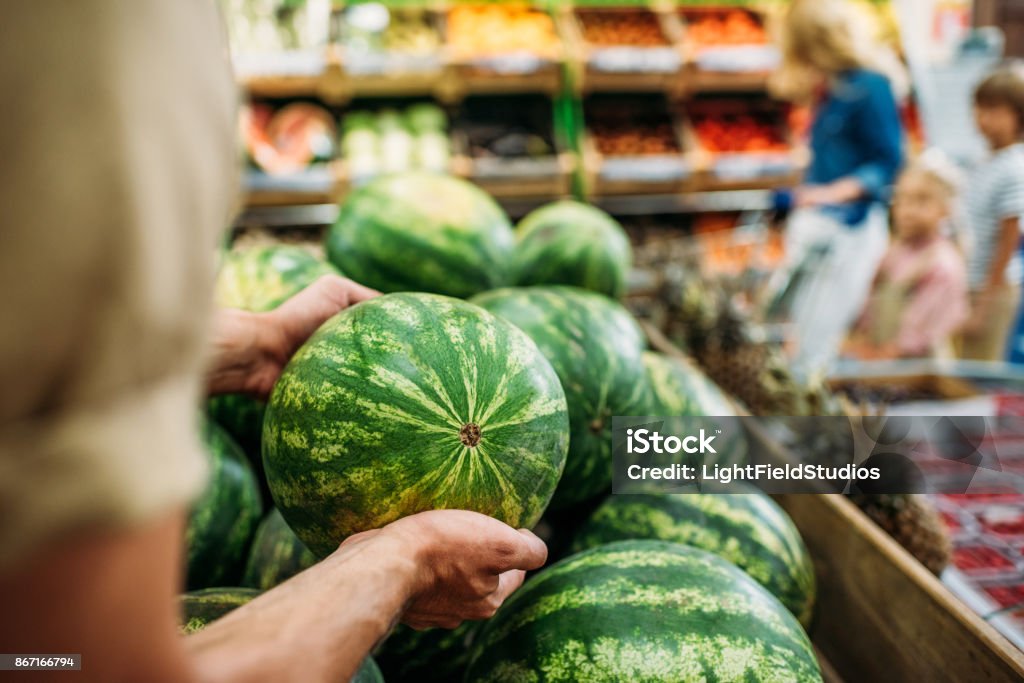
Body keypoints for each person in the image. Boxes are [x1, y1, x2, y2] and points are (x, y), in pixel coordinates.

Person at [0, 4, 545, 682]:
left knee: (686, 450)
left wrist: (251, 343)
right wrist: (402, 561)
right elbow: (70, 668)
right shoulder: (96, 44)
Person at [768, 0, 905, 373]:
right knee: (799, 327)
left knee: (818, 335)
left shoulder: (871, 87)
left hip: (849, 230)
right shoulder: (830, 88)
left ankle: (805, 420)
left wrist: (828, 193)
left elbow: (888, 161)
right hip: (817, 225)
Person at [843, 156, 969, 360]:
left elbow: (919, 333)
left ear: (947, 209)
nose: (908, 210)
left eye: (922, 200)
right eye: (902, 200)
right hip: (882, 359)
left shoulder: (943, 263)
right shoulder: (896, 251)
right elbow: (873, 299)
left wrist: (885, 353)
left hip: (917, 367)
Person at [960, 66, 1024, 361]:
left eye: (994, 110)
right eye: (980, 109)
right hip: (970, 283)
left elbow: (1008, 240)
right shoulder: (983, 160)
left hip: (991, 290)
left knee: (978, 373)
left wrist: (984, 306)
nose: (984, 119)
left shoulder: (1014, 167)